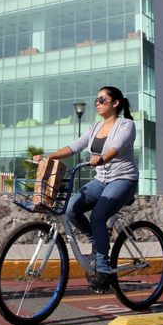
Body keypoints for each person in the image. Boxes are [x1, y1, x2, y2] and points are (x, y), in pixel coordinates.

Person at [33, 86, 138, 293]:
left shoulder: (126, 125)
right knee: (71, 208)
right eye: (96, 100)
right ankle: (97, 242)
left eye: (102, 99)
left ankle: (103, 269)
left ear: (115, 103)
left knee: (98, 216)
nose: (97, 103)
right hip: (101, 180)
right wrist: (47, 157)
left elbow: (116, 147)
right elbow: (74, 147)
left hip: (123, 179)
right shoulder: (94, 127)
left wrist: (102, 158)